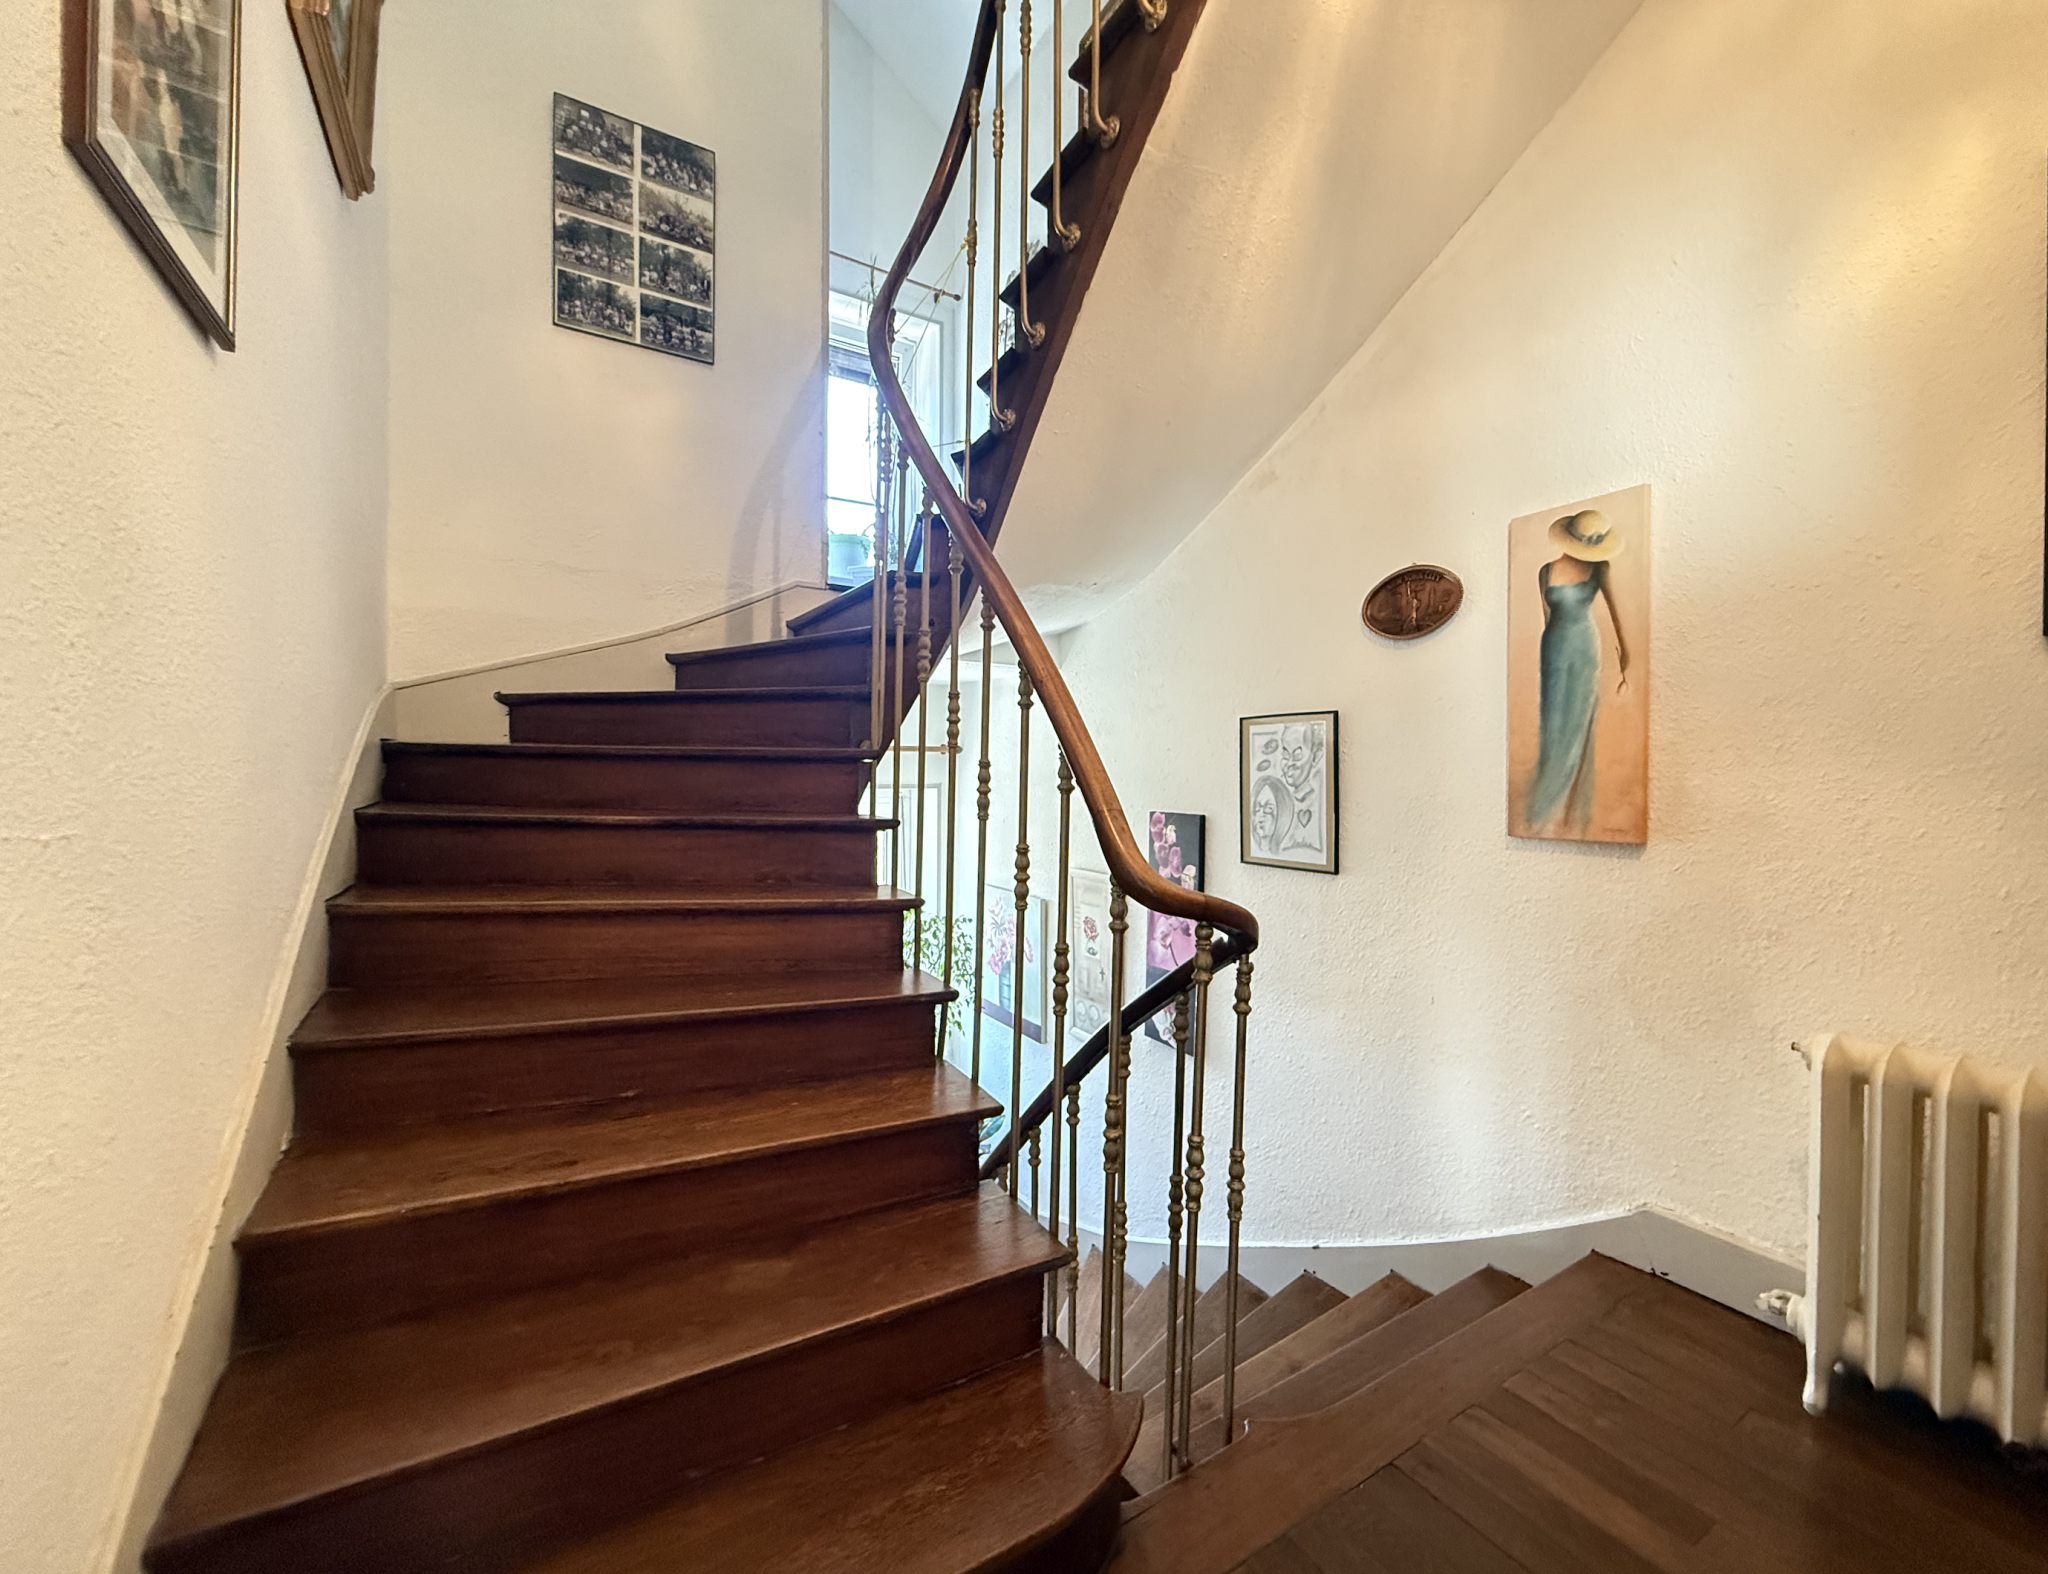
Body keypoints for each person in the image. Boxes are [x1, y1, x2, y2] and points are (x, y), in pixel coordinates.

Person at [1526, 508, 1631, 830]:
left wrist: (1626, 653)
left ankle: (1571, 803)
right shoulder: (1545, 571)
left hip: (1585, 648)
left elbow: (1616, 612)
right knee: (1553, 719)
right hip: (1553, 648)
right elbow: (1547, 618)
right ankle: (1547, 798)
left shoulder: (1601, 568)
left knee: (1579, 718)